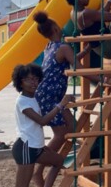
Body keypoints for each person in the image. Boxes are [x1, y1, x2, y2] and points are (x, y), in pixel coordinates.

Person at [11, 63, 74, 187]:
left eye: (36, 78)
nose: (33, 82)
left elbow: (35, 127)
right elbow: (43, 121)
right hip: (25, 147)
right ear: (20, 82)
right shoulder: (23, 101)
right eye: (28, 79)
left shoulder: (32, 97)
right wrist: (62, 105)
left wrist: (41, 145)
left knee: (59, 161)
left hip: (36, 147)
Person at [32, 11, 86, 152]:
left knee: (73, 127)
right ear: (56, 28)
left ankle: (55, 162)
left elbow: (69, 60)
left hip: (47, 94)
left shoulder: (50, 47)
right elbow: (81, 70)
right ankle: (39, 170)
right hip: (49, 97)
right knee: (60, 134)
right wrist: (105, 79)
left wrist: (86, 51)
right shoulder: (63, 47)